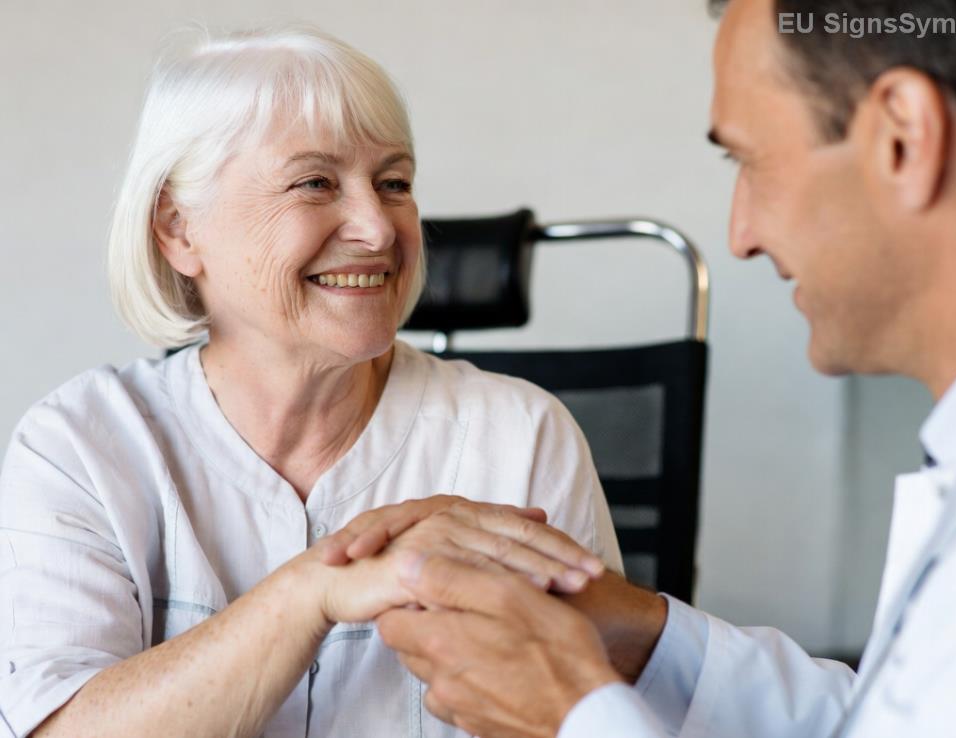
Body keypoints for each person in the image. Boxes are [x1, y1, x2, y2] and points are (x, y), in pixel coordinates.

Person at [371, 0, 956, 736]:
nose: (740, 234)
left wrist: (566, 716)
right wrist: (651, 643)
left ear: (904, 140)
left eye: (750, 159)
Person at [0, 26, 622, 738]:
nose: (377, 229)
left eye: (394, 183)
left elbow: (597, 714)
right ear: (179, 229)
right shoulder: (81, 445)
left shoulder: (521, 438)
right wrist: (311, 592)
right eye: (316, 182)